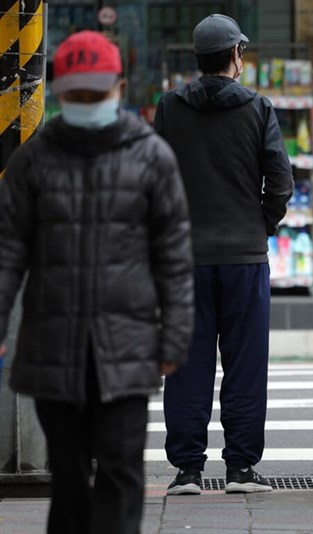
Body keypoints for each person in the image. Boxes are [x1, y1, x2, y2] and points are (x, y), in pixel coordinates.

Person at [0, 31, 194, 534]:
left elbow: (173, 256)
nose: (85, 103)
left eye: (96, 93)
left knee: (121, 470)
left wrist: (174, 336)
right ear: (60, 92)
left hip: (127, 346)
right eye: (76, 94)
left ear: (119, 88)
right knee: (67, 478)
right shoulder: (33, 161)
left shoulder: (152, 157)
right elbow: (7, 255)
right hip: (52, 345)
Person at [154, 14, 294, 495]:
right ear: (236, 55)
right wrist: (261, 224)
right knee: (245, 363)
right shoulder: (258, 107)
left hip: (184, 258)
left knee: (188, 363)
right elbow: (279, 180)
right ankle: (240, 469)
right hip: (243, 256)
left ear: (198, 59)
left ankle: (187, 470)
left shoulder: (170, 107)